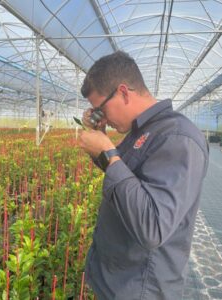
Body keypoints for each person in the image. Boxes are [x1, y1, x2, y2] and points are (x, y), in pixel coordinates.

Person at [79, 51, 209, 300]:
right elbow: (127, 180)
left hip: (139, 289)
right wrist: (103, 145)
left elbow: (153, 227)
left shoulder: (177, 138)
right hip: (117, 280)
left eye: (101, 109)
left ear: (124, 92)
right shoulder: (144, 131)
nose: (101, 116)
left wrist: (109, 155)